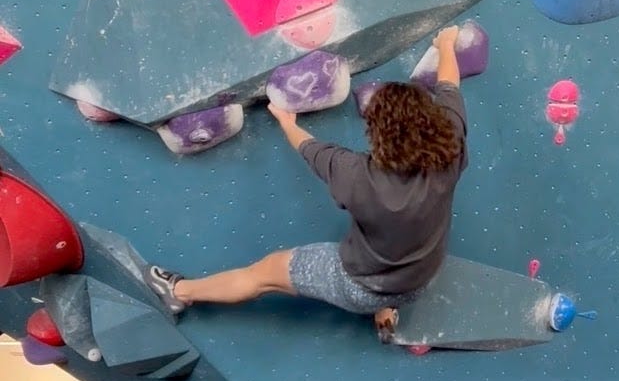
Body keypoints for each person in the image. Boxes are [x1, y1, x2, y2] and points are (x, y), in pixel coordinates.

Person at [146, 25, 468, 343]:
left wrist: (287, 121)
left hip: (360, 285)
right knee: (401, 260)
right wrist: (446, 44)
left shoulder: (356, 175)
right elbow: (449, 85)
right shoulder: (452, 146)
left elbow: (309, 148)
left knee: (263, 275)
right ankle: (386, 310)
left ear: (378, 135)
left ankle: (178, 292)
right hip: (420, 280)